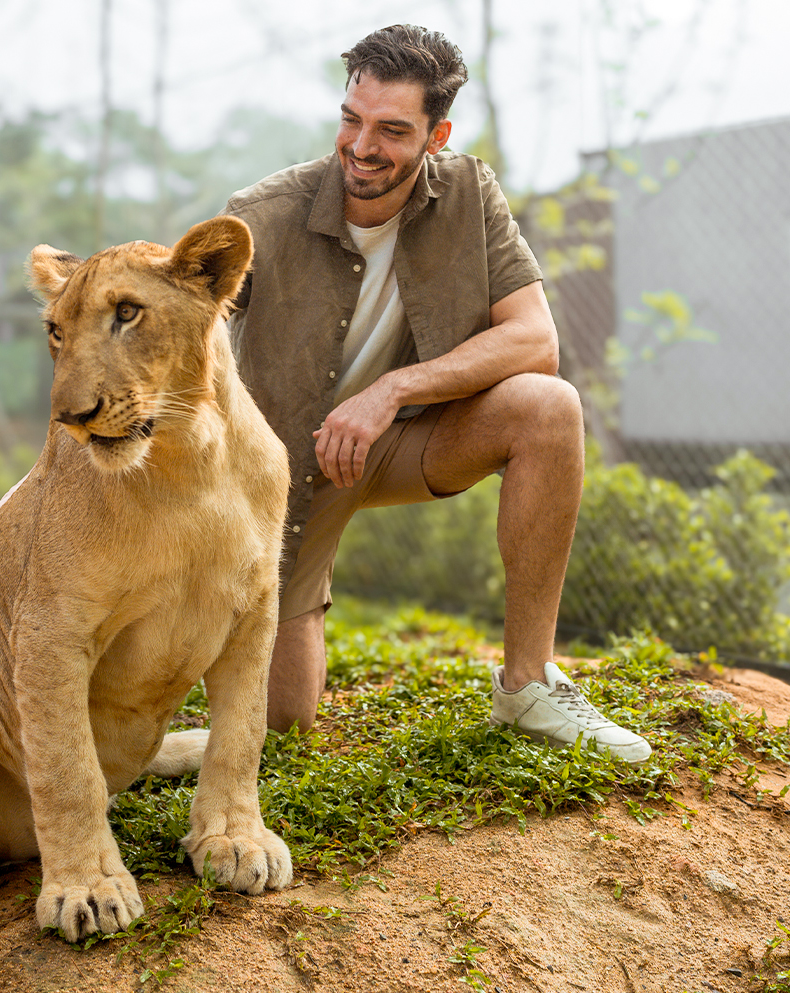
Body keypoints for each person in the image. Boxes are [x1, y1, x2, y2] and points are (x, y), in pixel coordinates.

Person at [220, 23, 650, 761]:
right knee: (282, 724)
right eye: (351, 121)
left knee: (549, 407)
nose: (360, 147)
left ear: (436, 134)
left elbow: (534, 341)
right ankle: (261, 624)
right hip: (284, 468)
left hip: (402, 440)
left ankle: (529, 687)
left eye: (390, 130)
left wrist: (390, 390)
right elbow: (183, 334)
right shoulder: (262, 213)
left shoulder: (471, 195)